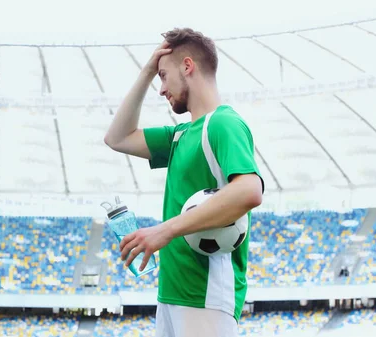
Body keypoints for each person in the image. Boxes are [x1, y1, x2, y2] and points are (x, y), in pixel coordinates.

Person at [103, 27, 265, 337]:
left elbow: (249, 190)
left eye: (163, 77)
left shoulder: (223, 123)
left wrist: (165, 230)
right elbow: (117, 137)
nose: (160, 89)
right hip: (172, 294)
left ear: (188, 66)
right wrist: (150, 69)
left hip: (205, 295)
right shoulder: (180, 135)